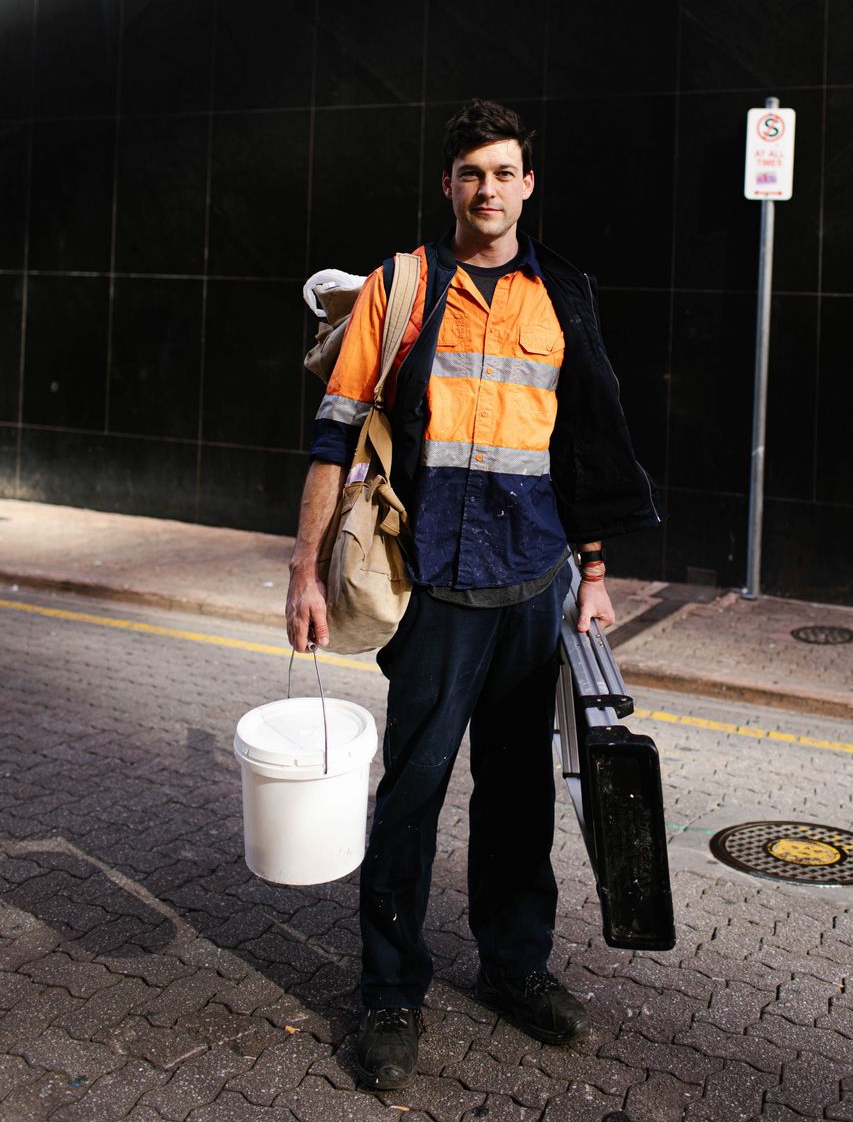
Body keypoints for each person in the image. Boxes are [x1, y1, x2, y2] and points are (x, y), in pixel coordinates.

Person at [285, 99, 659, 1090]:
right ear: (447, 184)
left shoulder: (562, 294)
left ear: (526, 184)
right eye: (469, 173)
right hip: (435, 585)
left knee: (519, 796)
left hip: (534, 581)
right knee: (410, 796)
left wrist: (593, 573)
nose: (486, 189)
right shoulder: (401, 288)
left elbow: (579, 444)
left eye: (502, 172)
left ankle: (514, 968)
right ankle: (389, 992)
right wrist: (302, 570)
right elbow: (333, 430)